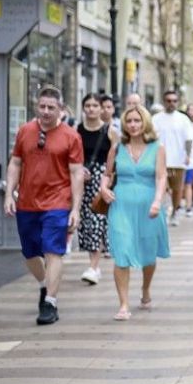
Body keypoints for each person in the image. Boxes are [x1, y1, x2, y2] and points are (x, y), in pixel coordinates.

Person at [3, 86, 86, 325]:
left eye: (51, 107)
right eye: (42, 107)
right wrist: (9, 194)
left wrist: (75, 209)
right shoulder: (24, 131)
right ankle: (43, 285)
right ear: (37, 107)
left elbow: (76, 173)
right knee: (30, 253)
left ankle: (50, 302)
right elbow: (15, 164)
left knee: (53, 250)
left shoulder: (71, 136)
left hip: (57, 202)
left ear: (61, 109)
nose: (46, 111)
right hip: (27, 201)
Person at [99, 105, 170, 320]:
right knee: (121, 251)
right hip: (121, 205)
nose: (133, 125)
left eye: (137, 121)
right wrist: (103, 189)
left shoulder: (157, 147)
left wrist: (158, 201)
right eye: (129, 121)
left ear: (145, 122)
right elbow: (107, 173)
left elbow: (161, 176)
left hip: (149, 206)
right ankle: (123, 304)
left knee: (148, 253)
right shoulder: (117, 148)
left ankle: (145, 290)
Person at [76, 93, 117, 285]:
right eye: (88, 105)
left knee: (98, 221)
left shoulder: (110, 131)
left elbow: (116, 159)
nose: (91, 109)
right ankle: (94, 265)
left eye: (95, 105)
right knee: (85, 223)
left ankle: (93, 266)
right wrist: (78, 171)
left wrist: (108, 181)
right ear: (83, 108)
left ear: (102, 108)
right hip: (81, 180)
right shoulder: (76, 131)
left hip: (101, 181)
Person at [151, 90, 193, 226]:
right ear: (164, 102)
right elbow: (151, 138)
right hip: (160, 161)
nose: (171, 103)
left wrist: (188, 155)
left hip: (178, 161)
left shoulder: (183, 119)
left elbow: (189, 139)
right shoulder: (156, 118)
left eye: (174, 101)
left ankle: (175, 211)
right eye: (168, 101)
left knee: (177, 190)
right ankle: (162, 212)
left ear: (177, 102)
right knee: (161, 188)